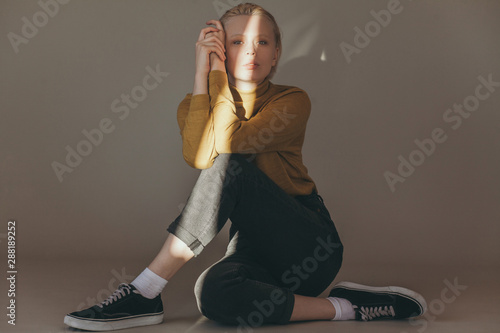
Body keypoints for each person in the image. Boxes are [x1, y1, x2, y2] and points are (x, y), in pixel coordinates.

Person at [64, 3, 427, 331]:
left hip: (309, 244)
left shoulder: (291, 100)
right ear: (219, 50)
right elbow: (198, 158)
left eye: (262, 42)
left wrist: (218, 75)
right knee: (212, 292)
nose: (251, 50)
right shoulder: (192, 106)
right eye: (236, 42)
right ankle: (348, 307)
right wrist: (202, 74)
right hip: (254, 249)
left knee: (229, 166)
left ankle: (145, 290)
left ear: (276, 54)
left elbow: (230, 144)